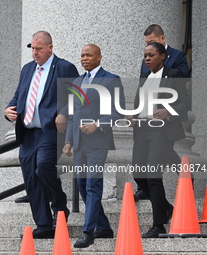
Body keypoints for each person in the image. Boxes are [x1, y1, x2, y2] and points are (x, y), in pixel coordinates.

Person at [5, 31, 79, 238]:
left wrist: (64, 113)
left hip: (50, 131)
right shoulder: (27, 69)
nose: (34, 53)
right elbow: (18, 96)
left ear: (50, 48)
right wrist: (9, 109)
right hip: (28, 133)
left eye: (38, 49)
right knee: (31, 178)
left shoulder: (64, 67)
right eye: (32, 49)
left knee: (43, 167)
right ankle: (44, 225)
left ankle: (60, 206)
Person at [63, 44, 125, 248]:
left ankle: (88, 232)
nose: (84, 58)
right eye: (82, 55)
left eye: (89, 55)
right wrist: (68, 142)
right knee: (82, 185)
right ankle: (104, 227)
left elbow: (117, 111)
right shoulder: (78, 81)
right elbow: (73, 115)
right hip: (79, 144)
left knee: (92, 185)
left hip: (98, 143)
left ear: (100, 58)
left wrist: (97, 124)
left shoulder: (111, 79)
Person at [129, 42, 189, 238]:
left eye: (151, 55)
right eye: (145, 55)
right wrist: (134, 116)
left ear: (162, 56)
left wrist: (168, 111)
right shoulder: (145, 77)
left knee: (153, 176)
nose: (146, 58)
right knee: (139, 174)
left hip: (162, 132)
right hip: (143, 130)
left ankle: (159, 225)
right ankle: (166, 208)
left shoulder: (174, 74)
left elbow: (185, 103)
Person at [134, 24, 190, 201]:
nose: (148, 57)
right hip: (148, 120)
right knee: (151, 163)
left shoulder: (178, 57)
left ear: (162, 39)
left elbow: (182, 84)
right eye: (146, 44)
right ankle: (153, 193)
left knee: (158, 162)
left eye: (151, 43)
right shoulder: (148, 62)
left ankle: (184, 177)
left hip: (166, 117)